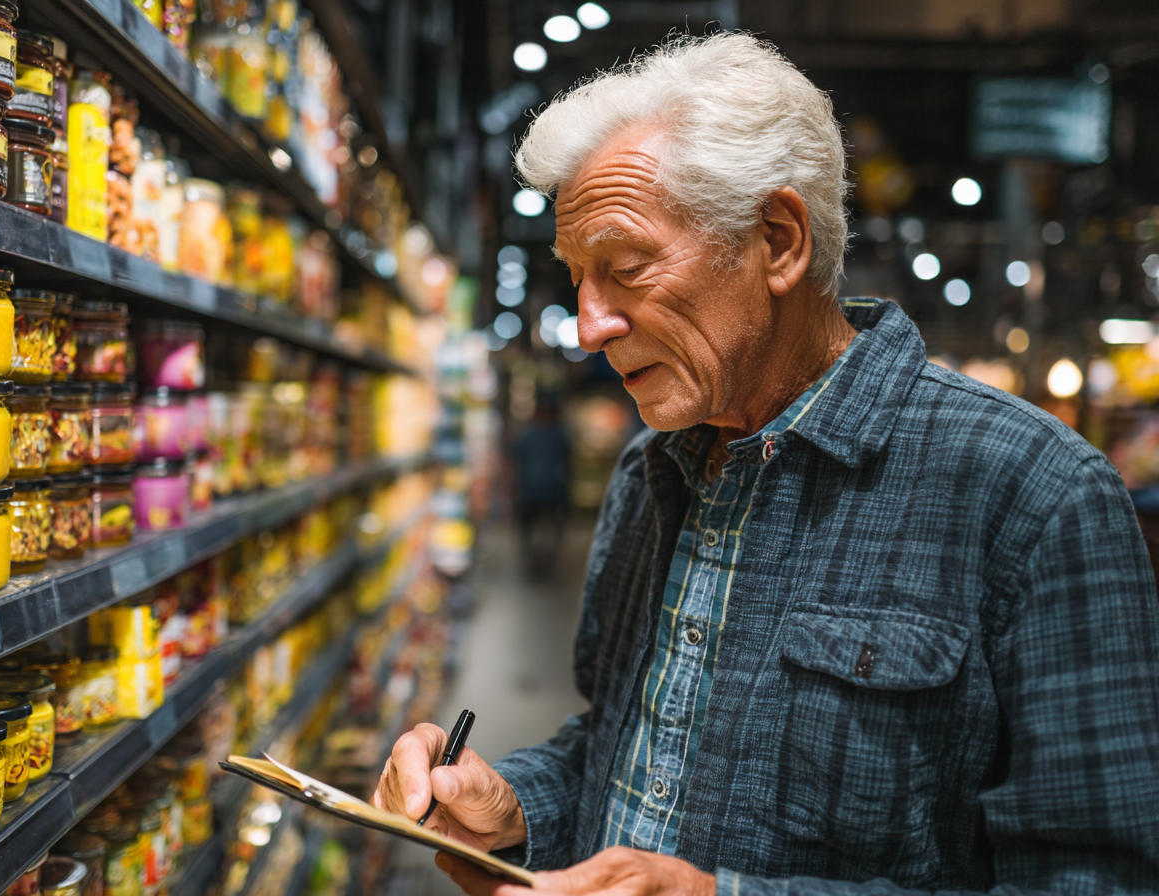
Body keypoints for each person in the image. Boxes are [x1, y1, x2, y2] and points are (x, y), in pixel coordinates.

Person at [374, 32, 1159, 896]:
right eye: (576, 278)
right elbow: (626, 747)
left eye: (627, 269)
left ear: (779, 241)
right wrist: (517, 804)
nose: (590, 324)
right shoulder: (653, 471)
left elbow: (1097, 881)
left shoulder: (1037, 497)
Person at [511, 397, 572, 578]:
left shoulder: (527, 435)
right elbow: (568, 465)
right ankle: (548, 562)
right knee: (554, 530)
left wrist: (513, 490)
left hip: (530, 490)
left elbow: (515, 462)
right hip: (554, 490)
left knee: (528, 530)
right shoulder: (559, 435)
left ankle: (532, 561)